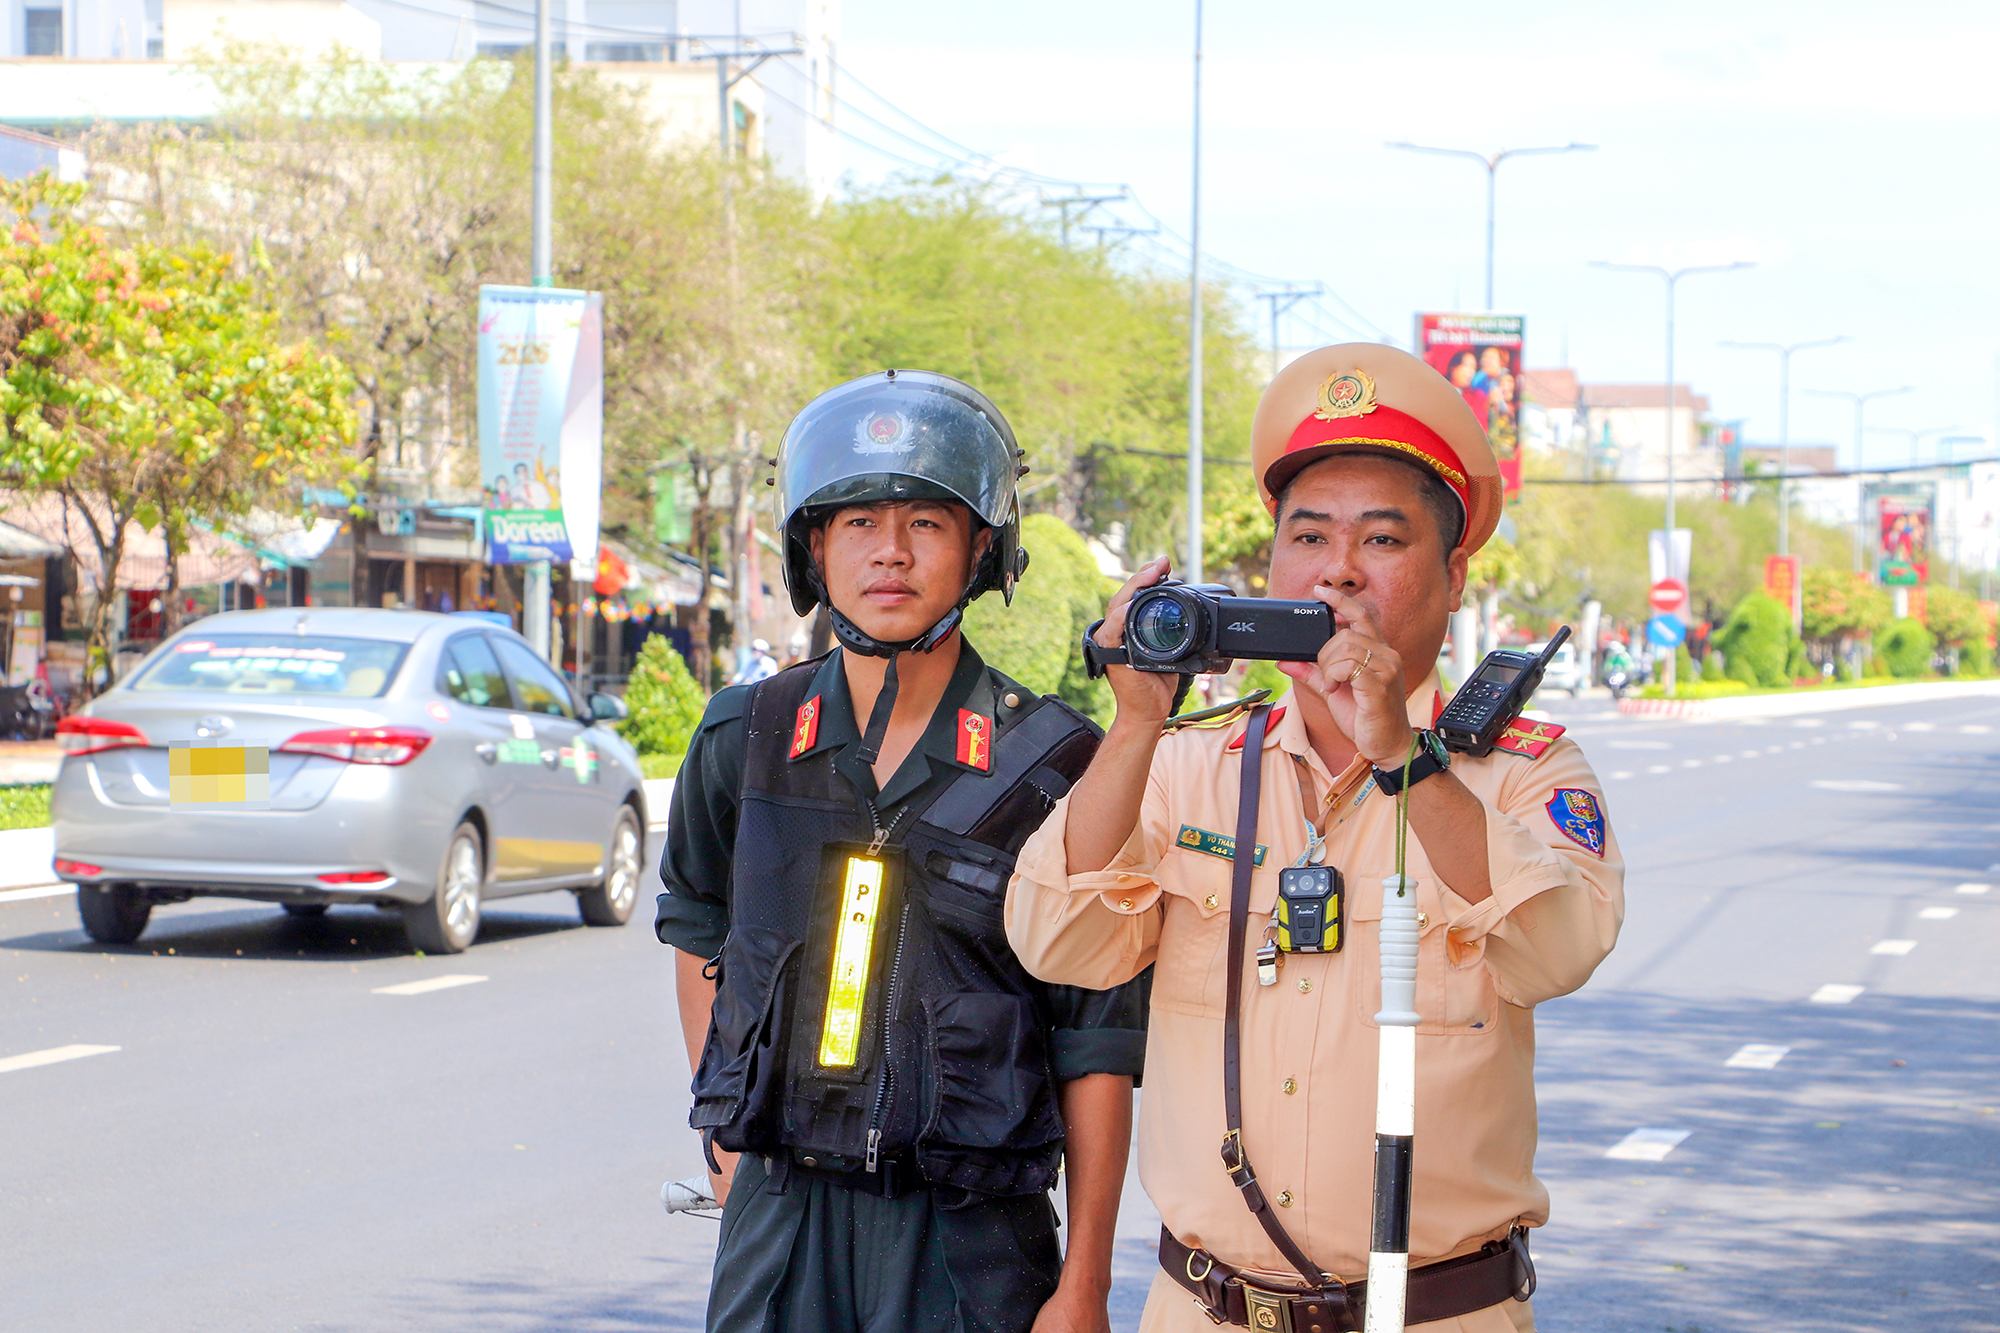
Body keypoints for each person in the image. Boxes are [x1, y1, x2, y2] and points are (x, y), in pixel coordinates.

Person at [1005, 344, 1624, 1332]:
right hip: (1203, 1310)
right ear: (1272, 567)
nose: (1337, 568)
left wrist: (1402, 758)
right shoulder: (1188, 762)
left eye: (1381, 539)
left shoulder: (1519, 771)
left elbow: (1556, 948)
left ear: (1453, 573)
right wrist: (1131, 721)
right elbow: (1055, 939)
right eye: (1307, 536)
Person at [657, 369, 1149, 1333]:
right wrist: (725, 1136)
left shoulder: (1054, 765)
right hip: (782, 1227)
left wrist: (1083, 1281)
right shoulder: (745, 735)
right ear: (814, 548)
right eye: (856, 524)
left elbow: (1096, 1043)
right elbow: (697, 927)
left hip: (970, 1241)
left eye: (926, 522)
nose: (890, 554)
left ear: (980, 549)